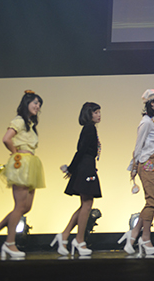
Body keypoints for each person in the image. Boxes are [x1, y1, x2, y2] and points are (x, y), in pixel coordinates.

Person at [0, 91, 46, 258]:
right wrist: (15, 152)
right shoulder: (19, 120)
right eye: (35, 103)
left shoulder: (30, 124)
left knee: (26, 207)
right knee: (19, 206)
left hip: (31, 163)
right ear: (26, 104)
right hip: (22, 163)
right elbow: (6, 138)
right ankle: (9, 243)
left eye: (39, 104)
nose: (38, 106)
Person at [120, 89, 154, 256]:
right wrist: (134, 167)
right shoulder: (146, 122)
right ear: (152, 104)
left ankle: (134, 234)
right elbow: (138, 146)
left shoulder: (153, 121)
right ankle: (145, 238)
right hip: (148, 163)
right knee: (152, 201)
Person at [51, 102, 102, 257]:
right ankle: (79, 240)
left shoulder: (90, 128)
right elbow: (81, 150)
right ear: (88, 114)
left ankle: (65, 235)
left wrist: (73, 169)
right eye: (95, 112)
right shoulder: (89, 128)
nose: (99, 115)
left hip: (87, 166)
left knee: (85, 204)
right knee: (87, 204)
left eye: (99, 112)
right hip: (85, 167)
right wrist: (71, 169)